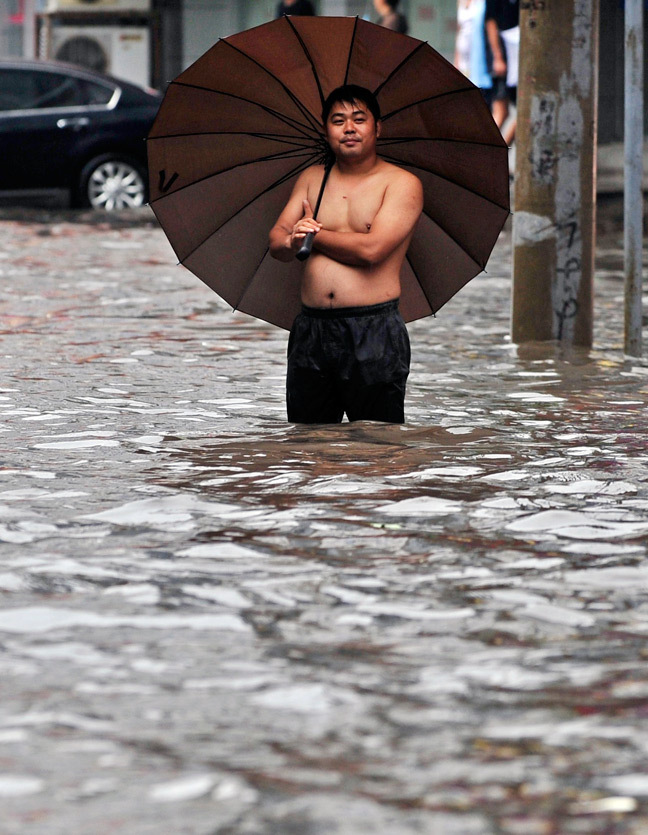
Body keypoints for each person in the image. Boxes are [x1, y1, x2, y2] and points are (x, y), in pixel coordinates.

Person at [269, 84, 423, 424]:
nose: (349, 128)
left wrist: (316, 234)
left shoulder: (400, 183)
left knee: (377, 444)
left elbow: (372, 250)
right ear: (326, 130)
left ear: (377, 127)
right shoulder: (312, 179)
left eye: (359, 119)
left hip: (373, 329)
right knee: (308, 443)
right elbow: (277, 240)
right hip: (312, 330)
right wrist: (293, 241)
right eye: (338, 120)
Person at [485, 0, 519, 146]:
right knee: (502, 111)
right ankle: (489, 153)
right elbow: (490, 22)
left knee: (510, 113)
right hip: (504, 61)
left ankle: (495, 153)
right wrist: (498, 57)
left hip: (514, 60)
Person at [454, 0, 493, 107]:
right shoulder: (460, 2)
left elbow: (490, 26)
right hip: (464, 60)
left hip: (479, 59)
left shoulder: (482, 3)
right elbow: (459, 30)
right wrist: (456, 61)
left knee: (480, 100)